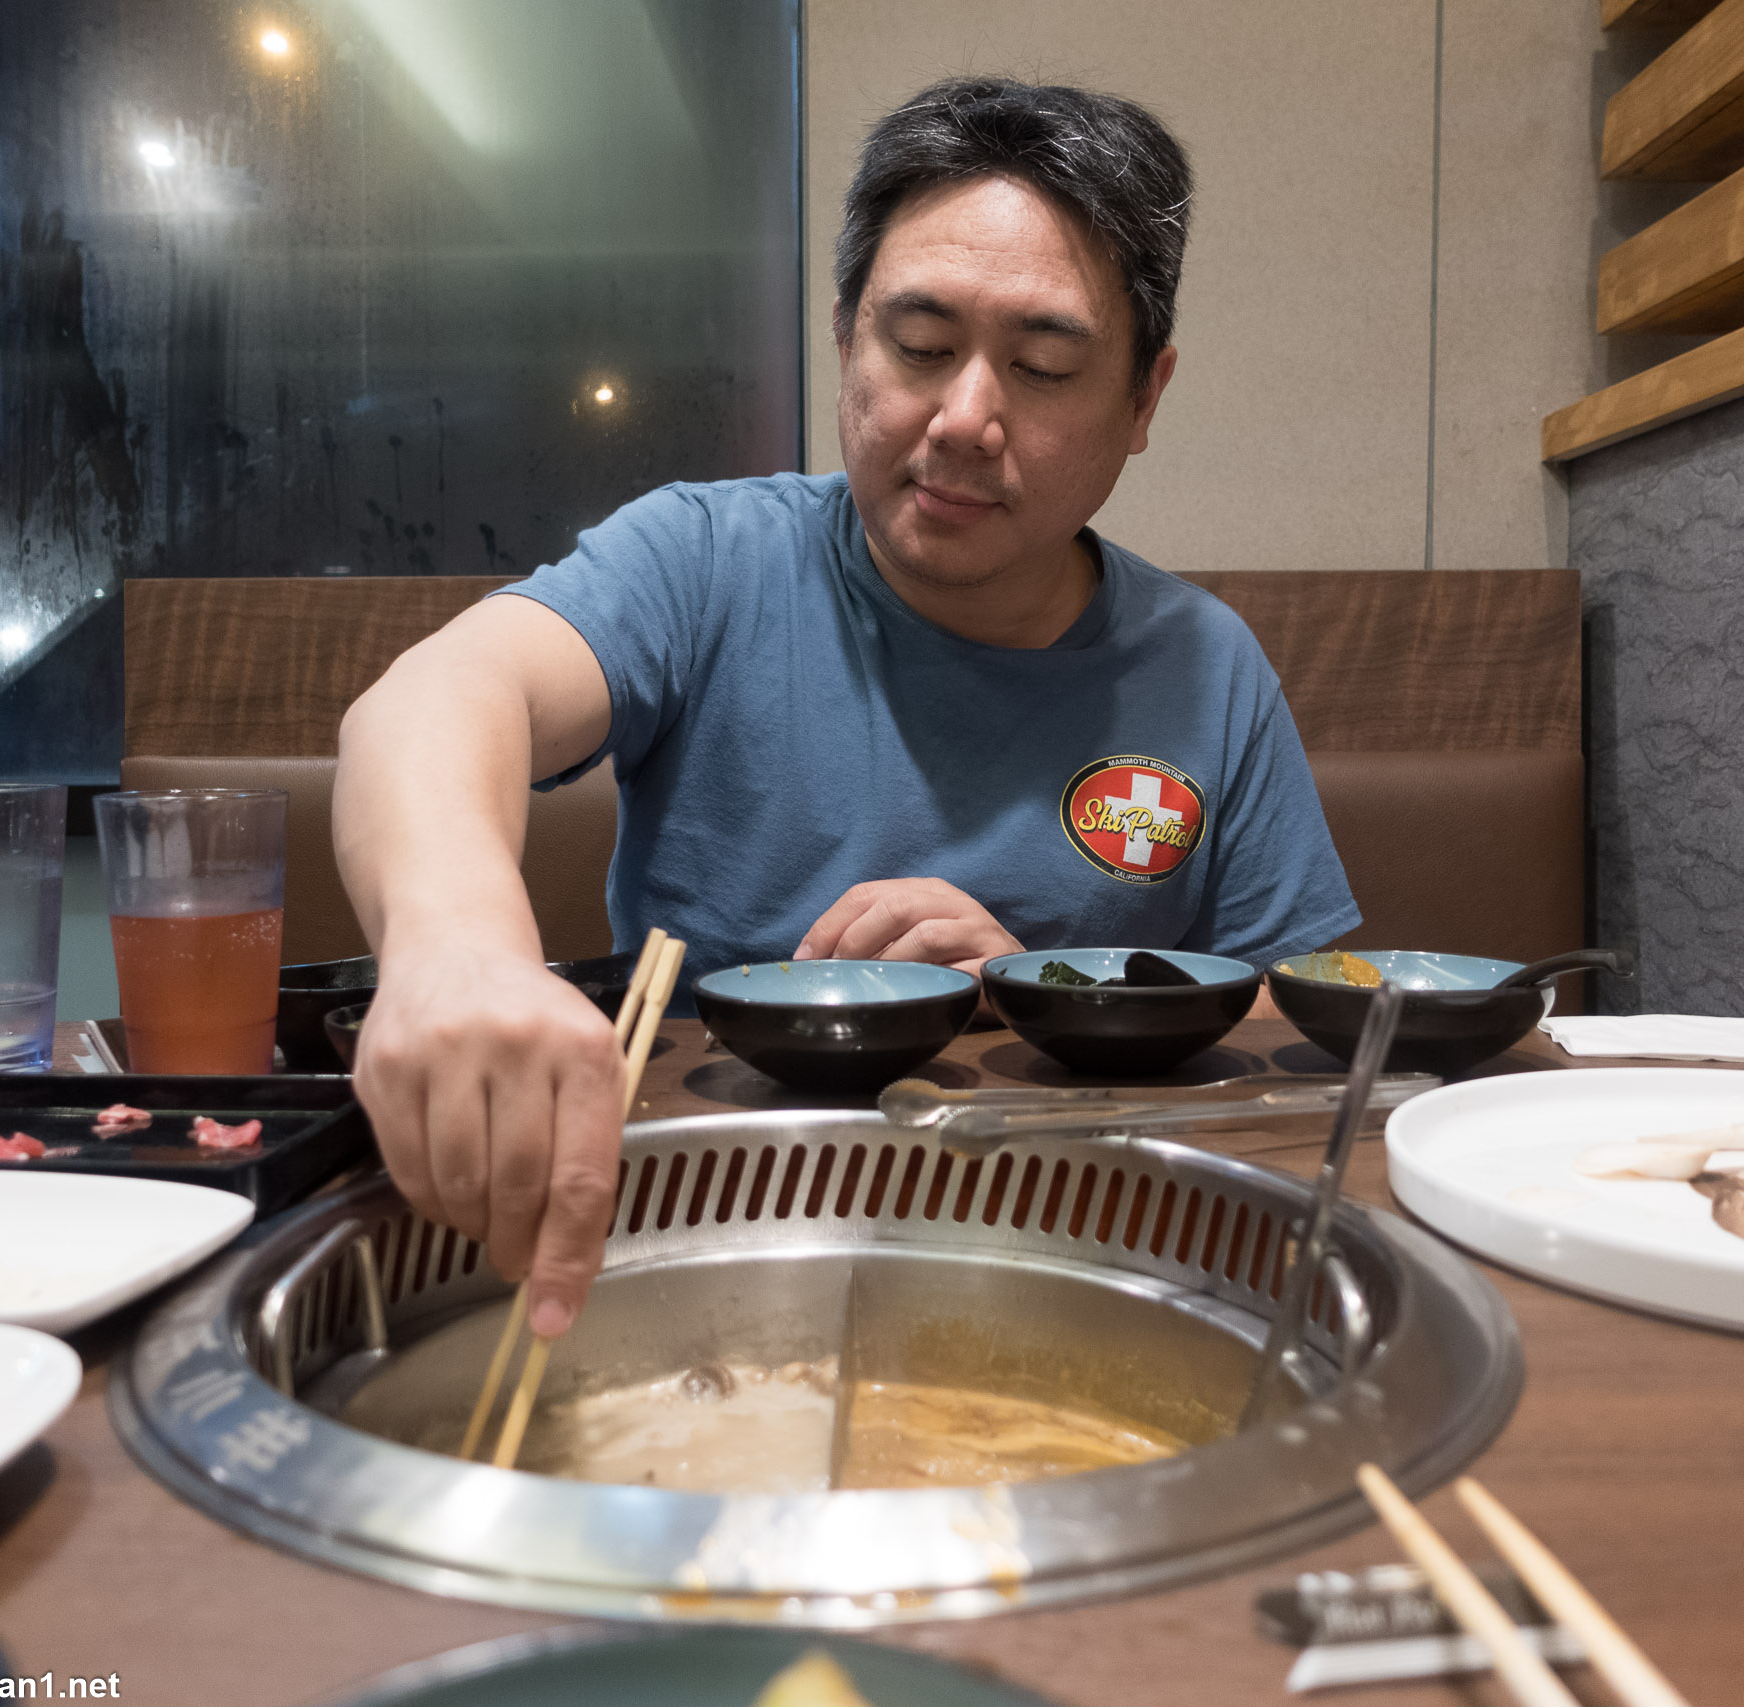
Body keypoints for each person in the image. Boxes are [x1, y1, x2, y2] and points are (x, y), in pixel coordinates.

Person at [334, 78, 1358, 1343]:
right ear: (843, 340)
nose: (964, 418)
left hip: (1074, 1255)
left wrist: (1044, 995)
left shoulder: (1203, 666)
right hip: (691, 1231)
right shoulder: (706, 561)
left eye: (1041, 367)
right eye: (919, 347)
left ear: (1143, 401)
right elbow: (436, 696)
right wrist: (454, 942)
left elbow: (1287, 1060)